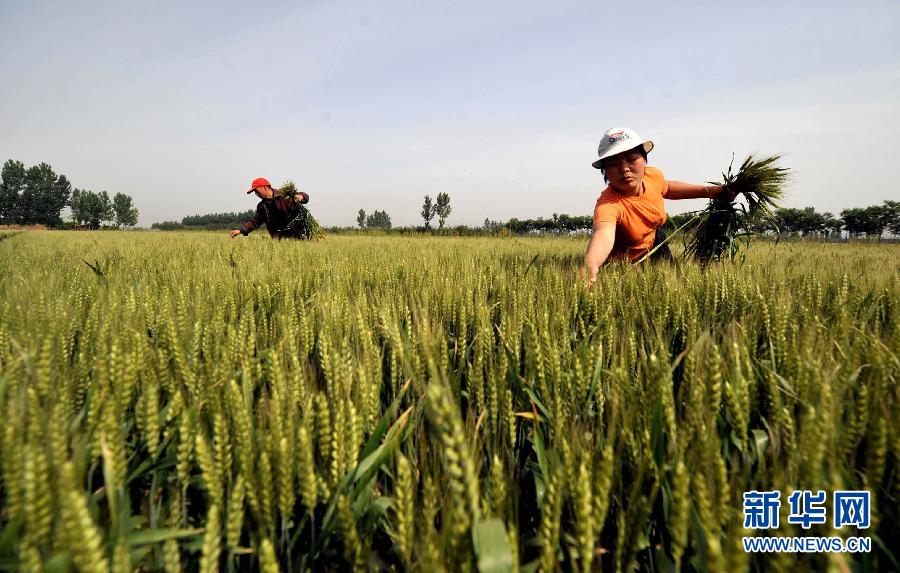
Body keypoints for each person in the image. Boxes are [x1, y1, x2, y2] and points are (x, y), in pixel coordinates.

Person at [583, 127, 733, 283]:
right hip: (625, 261)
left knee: (674, 282)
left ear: (644, 159)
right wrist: (591, 265)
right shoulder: (608, 204)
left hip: (656, 240)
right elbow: (603, 234)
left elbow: (667, 188)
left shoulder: (652, 175)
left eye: (631, 159)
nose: (624, 169)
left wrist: (713, 191)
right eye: (614, 164)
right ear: (605, 171)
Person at [229, 177, 311, 240]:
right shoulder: (262, 206)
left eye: (256, 191)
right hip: (278, 239)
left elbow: (303, 195)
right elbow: (255, 222)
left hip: (297, 235)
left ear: (264, 187)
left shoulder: (284, 195)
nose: (256, 194)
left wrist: (301, 197)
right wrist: (241, 230)